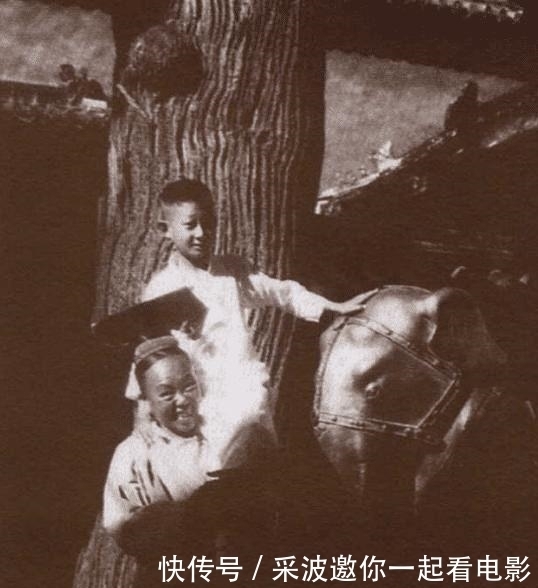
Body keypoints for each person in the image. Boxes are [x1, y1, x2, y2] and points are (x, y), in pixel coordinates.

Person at [137, 178, 367, 465]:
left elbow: (283, 292)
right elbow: (148, 354)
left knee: (257, 466)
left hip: (245, 393)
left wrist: (331, 307)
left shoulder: (232, 271)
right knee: (212, 473)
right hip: (198, 404)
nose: (201, 233)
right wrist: (142, 409)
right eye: (190, 225)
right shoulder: (160, 288)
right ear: (166, 230)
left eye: (208, 223)